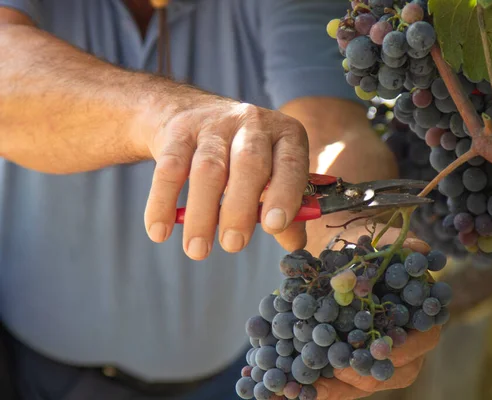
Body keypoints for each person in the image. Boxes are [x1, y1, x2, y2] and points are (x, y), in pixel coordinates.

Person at [0, 1, 441, 399]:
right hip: (39, 368)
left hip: (233, 377)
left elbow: (333, 128)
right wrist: (162, 114)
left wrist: (359, 232)